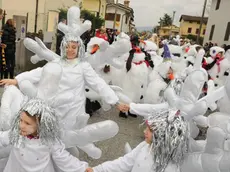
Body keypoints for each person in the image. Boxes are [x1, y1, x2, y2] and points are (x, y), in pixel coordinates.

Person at [0, 6, 125, 158]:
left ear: (79, 48)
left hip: (73, 112)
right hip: (54, 108)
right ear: (63, 47)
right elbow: (39, 73)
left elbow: (99, 84)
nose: (70, 50)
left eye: (74, 47)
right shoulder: (58, 62)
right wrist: (17, 80)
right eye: (67, 46)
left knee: (65, 144)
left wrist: (115, 101)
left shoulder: (83, 66)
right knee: (48, 141)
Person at [0, 98, 88, 172]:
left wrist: (82, 169)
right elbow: (1, 138)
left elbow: (63, 158)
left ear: (40, 125)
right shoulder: (16, 135)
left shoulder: (50, 141)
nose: (21, 125)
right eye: (21, 120)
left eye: (27, 123)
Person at [86, 109, 188, 172]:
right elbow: (124, 163)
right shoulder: (145, 146)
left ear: (164, 137)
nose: (144, 131)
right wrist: (97, 169)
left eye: (150, 130)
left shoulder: (170, 168)